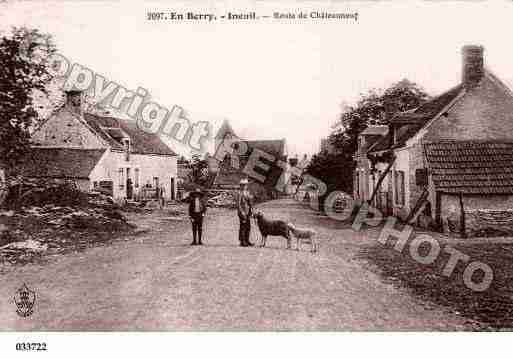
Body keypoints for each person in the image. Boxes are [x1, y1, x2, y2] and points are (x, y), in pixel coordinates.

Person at [236, 178, 254, 247]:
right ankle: (242, 241)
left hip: (248, 211)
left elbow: (250, 203)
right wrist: (241, 212)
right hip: (242, 212)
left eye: (245, 185)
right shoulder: (239, 193)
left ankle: (247, 240)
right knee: (243, 226)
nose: (244, 186)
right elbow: (238, 204)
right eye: (242, 185)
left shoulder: (247, 192)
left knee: (248, 226)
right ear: (240, 186)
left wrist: (251, 210)